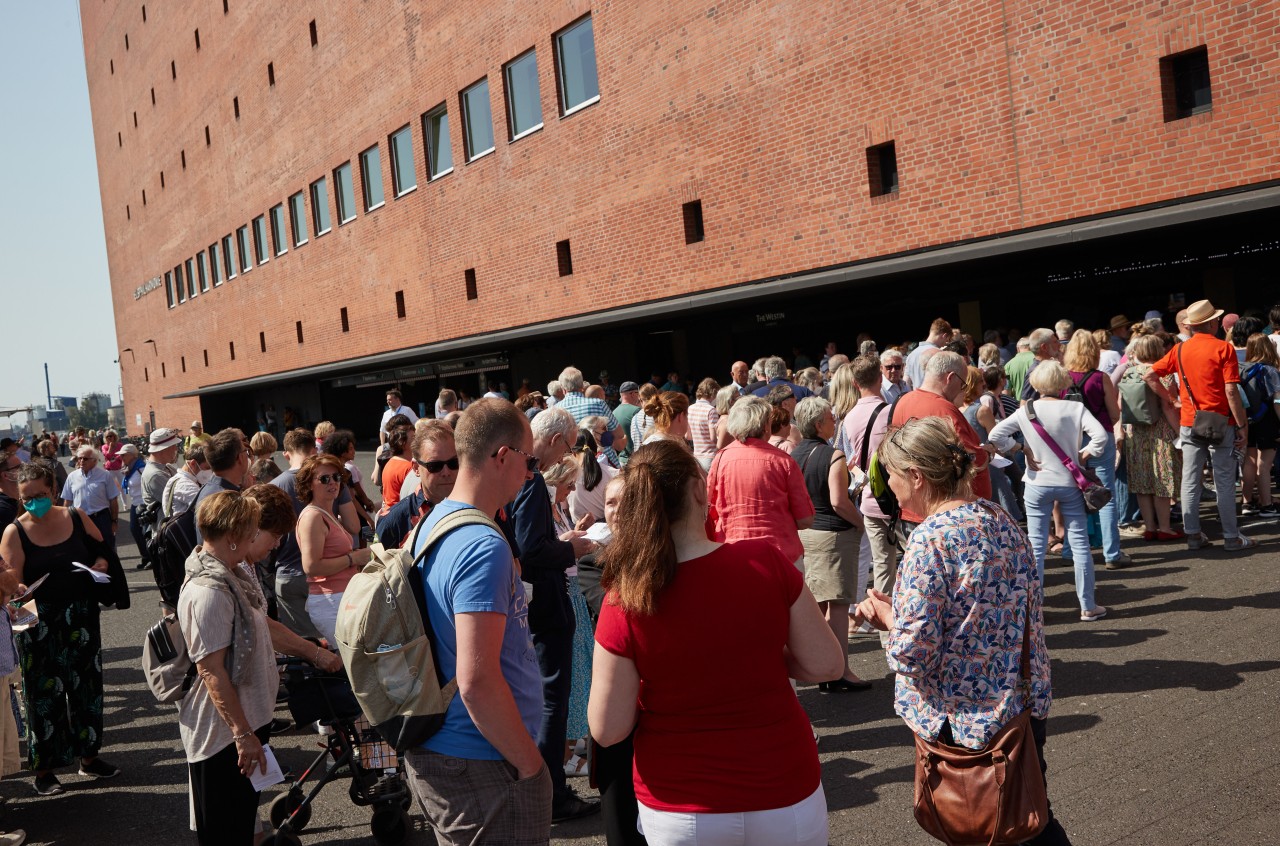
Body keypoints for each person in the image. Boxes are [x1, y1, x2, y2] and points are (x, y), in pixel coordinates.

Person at [591, 439, 845, 846]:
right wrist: (765, 653)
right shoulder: (765, 562)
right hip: (782, 787)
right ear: (696, 490)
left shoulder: (624, 598)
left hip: (680, 803)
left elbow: (607, 728)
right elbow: (826, 665)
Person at [852, 417, 1072, 846]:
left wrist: (889, 619)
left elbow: (913, 653)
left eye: (892, 476)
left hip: (962, 718)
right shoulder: (998, 518)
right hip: (1020, 703)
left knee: (985, 829)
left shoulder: (929, 539)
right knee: (1030, 819)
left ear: (916, 476)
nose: (889, 488)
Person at [403, 398, 553, 845]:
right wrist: (531, 766)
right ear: (503, 456)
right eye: (529, 460)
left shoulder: (434, 522)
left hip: (453, 750)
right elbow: (477, 682)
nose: (530, 474)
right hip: (482, 762)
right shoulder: (481, 546)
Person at [179, 490, 342, 844]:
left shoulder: (232, 575)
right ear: (235, 536)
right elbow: (212, 672)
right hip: (223, 737)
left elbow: (260, 627)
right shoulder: (210, 592)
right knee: (226, 831)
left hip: (244, 725)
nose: (261, 539)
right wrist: (243, 734)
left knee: (240, 822)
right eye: (254, 531)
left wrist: (311, 652)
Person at [0, 462, 120, 797]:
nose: (33, 502)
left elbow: (101, 550)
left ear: (54, 490)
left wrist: (101, 564)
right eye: (27, 498)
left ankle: (90, 757)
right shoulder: (15, 531)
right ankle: (45, 770)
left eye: (40, 495)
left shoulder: (75, 517)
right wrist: (21, 592)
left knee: (87, 689)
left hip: (81, 615)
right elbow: (11, 584)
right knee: (43, 696)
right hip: (37, 621)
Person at [511, 408, 599, 822]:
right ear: (554, 439)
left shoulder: (525, 478)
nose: (569, 453)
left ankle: (550, 791)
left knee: (548, 699)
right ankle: (553, 794)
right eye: (569, 444)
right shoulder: (529, 482)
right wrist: (570, 549)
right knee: (551, 701)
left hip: (537, 602)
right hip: (544, 603)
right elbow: (530, 548)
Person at [989, 361, 1109, 621]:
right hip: (1070, 482)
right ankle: (1088, 605)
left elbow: (996, 435)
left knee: (1036, 545)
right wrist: (1084, 454)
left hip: (1037, 482)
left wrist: (1022, 449)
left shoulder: (1027, 409)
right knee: (1079, 545)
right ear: (1063, 382)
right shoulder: (1075, 408)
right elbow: (1101, 437)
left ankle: (1034, 608)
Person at [1144, 299, 1255, 551]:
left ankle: (1193, 535)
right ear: (1212, 323)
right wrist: (1242, 425)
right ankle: (1231, 537)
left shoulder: (1180, 349)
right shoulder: (1223, 348)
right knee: (1224, 480)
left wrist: (1171, 399)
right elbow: (1231, 391)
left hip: (1189, 422)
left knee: (1190, 479)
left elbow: (1149, 375)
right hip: (1221, 422)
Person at [791, 397, 871, 692]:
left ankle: (826, 670)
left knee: (819, 606)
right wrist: (861, 522)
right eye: (829, 417)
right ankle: (840, 671)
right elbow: (839, 501)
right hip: (833, 537)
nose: (834, 421)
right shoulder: (832, 455)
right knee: (837, 607)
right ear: (818, 424)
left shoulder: (794, 453)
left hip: (806, 535)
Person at [891, 352, 992, 537]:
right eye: (962, 383)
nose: (962, 388)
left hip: (915, 506)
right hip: (946, 512)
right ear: (950, 377)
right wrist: (988, 453)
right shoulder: (944, 409)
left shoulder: (903, 401)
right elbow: (969, 459)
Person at [707, 396, 815, 569]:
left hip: (732, 551)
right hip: (780, 556)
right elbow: (805, 519)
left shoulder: (720, 459)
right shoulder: (783, 461)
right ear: (766, 426)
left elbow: (711, 510)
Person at [541, 459, 596, 779]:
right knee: (572, 675)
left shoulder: (558, 508)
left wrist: (579, 534)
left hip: (573, 595)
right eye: (568, 483)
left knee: (580, 671)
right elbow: (547, 550)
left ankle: (571, 745)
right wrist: (570, 541)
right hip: (565, 595)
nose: (573, 489)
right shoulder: (546, 510)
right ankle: (565, 753)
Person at [1063, 330, 1130, 568]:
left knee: (1072, 496)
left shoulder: (1062, 377)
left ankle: (1070, 550)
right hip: (1101, 438)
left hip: (1071, 441)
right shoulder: (1100, 378)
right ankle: (1112, 554)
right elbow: (1114, 414)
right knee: (1106, 496)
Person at [296, 453, 371, 644]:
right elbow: (311, 567)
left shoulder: (327, 514)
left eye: (337, 477)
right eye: (324, 479)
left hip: (339, 597)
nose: (333, 483)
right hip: (330, 600)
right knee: (353, 661)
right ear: (309, 484)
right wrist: (353, 559)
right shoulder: (313, 517)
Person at [1120, 334, 1183, 539]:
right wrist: (1180, 432)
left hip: (1136, 433)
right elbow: (1168, 406)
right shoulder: (1162, 373)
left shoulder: (1128, 373)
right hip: (1161, 432)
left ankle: (1149, 527)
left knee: (1142, 482)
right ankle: (1164, 528)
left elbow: (1122, 405)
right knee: (1162, 480)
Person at [375, 421, 458, 550]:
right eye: (435, 466)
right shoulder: (393, 522)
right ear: (416, 468)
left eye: (454, 463)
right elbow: (380, 568)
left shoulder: (485, 509)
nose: (446, 472)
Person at [1239, 333, 1280, 518]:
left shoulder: (1242, 368)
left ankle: (1247, 502)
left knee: (1249, 461)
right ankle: (1267, 505)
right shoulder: (1270, 371)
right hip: (1267, 421)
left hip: (1248, 420)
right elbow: (1277, 400)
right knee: (1265, 464)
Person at [556, 366, 625, 467]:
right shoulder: (599, 403)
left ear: (563, 389)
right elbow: (619, 434)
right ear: (582, 385)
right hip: (604, 463)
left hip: (575, 467)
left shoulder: (556, 410)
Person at [192, 428, 251, 545]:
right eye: (246, 451)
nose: (248, 455)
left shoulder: (209, 490)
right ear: (240, 458)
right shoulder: (226, 500)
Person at [60, 444, 121, 548]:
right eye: (79, 458)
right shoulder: (72, 477)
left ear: (94, 460)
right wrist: (65, 521)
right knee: (85, 550)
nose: (82, 461)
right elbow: (67, 501)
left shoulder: (105, 475)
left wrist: (114, 521)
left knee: (108, 549)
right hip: (81, 520)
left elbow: (113, 500)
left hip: (101, 519)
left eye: (85, 458)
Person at [141, 427, 182, 532]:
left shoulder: (166, 466)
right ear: (162, 449)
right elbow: (179, 499)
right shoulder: (155, 475)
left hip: (173, 527)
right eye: (173, 446)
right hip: (169, 532)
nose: (175, 449)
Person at [161, 444, 211, 519]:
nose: (210, 471)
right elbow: (209, 511)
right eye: (207, 467)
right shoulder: (184, 485)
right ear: (193, 464)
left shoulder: (184, 480)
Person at [378, 425, 416, 516]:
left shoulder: (390, 462)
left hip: (389, 513)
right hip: (402, 515)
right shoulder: (409, 467)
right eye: (413, 437)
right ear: (402, 443)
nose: (417, 440)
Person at [904, 318, 953, 389]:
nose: (945, 344)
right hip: (934, 397)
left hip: (916, 397)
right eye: (947, 340)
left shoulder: (911, 355)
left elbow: (906, 382)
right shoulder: (939, 354)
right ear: (944, 336)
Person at [686, 378, 720, 471]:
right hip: (711, 457)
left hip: (696, 457)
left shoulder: (690, 409)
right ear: (713, 393)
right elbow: (713, 438)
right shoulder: (711, 410)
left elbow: (688, 436)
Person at [612, 382, 644, 464]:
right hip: (635, 461)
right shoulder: (637, 411)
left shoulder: (613, 412)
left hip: (621, 460)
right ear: (633, 394)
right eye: (638, 393)